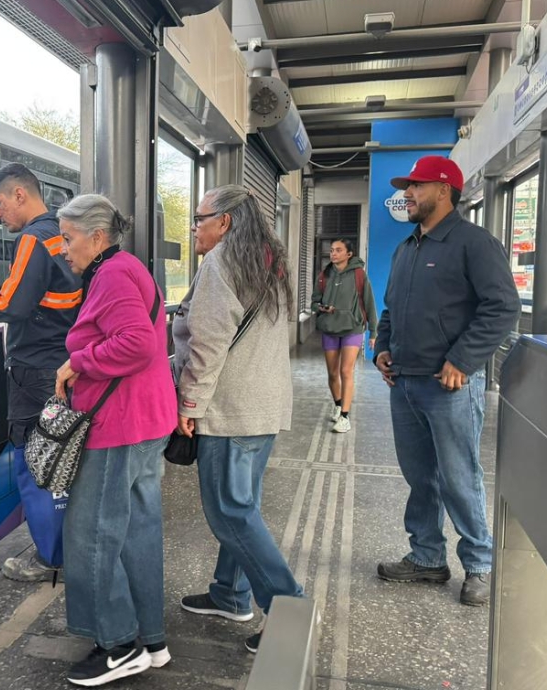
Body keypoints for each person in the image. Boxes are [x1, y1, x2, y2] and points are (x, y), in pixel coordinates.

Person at [373, 155, 520, 607]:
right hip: (405, 382)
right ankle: (427, 557)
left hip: (450, 386)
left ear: (444, 190)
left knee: (459, 477)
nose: (408, 193)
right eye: (408, 186)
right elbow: (390, 308)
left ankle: (480, 565)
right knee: (420, 477)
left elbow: (502, 307)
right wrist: (383, 347)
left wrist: (462, 360)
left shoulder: (474, 243)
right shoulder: (406, 248)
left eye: (417, 185)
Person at [53, 194, 177, 686]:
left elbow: (136, 343)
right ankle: (151, 638)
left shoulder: (112, 274)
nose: (63, 248)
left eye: (68, 238)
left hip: (118, 425)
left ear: (97, 236)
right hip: (145, 421)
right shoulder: (128, 268)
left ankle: (119, 645)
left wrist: (77, 363)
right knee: (137, 532)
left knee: (92, 534)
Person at [174, 185, 302, 654]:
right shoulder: (268, 260)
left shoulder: (220, 263)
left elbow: (207, 347)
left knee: (231, 513)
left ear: (224, 222)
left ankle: (288, 609)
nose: (195, 227)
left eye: (200, 218)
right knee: (242, 505)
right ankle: (230, 593)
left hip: (231, 411)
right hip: (264, 406)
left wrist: (189, 405)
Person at [0, 163, 82, 581]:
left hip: (34, 372)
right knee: (61, 461)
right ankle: (66, 548)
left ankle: (50, 557)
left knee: (36, 463)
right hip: (62, 365)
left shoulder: (32, 238)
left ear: (19, 195)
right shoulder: (63, 235)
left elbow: (10, 306)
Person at [312, 238, 378, 433]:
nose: (333, 253)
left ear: (349, 254)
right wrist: (321, 307)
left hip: (352, 328)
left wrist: (373, 332)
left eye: (338, 250)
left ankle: (345, 417)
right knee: (333, 373)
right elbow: (314, 302)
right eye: (332, 250)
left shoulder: (359, 275)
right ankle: (338, 404)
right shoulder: (324, 275)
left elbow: (370, 303)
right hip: (329, 328)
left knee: (346, 371)